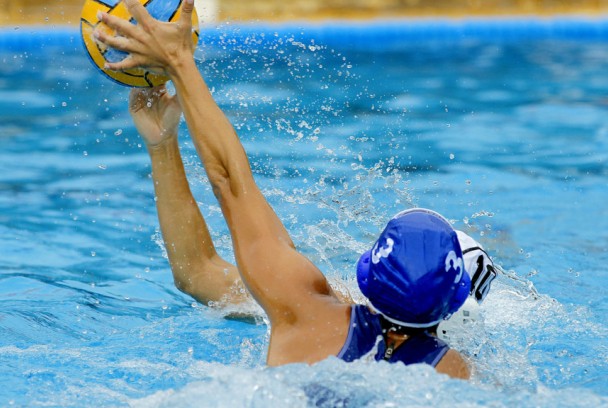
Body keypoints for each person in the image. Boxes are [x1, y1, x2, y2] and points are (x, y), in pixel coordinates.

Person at [95, 0, 496, 379]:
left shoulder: (304, 307)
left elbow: (229, 190)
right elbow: (198, 275)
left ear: (371, 274)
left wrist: (178, 65)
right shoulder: (465, 377)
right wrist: (162, 141)